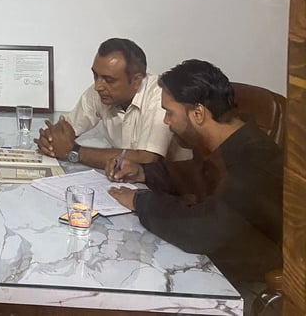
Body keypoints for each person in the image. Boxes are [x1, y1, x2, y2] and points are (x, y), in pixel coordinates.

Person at [107, 59, 283, 312]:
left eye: (170, 112)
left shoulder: (256, 161)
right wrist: (142, 172)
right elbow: (193, 175)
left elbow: (201, 229)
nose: (166, 121)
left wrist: (139, 201)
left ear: (198, 114)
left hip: (244, 287)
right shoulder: (224, 144)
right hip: (212, 266)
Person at [36, 38, 184, 169]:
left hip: (174, 184)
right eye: (95, 75)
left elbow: (147, 160)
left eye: (109, 80)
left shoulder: (160, 96)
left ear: (136, 80)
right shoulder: (101, 92)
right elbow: (65, 130)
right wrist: (50, 140)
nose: (98, 86)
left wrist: (75, 152)